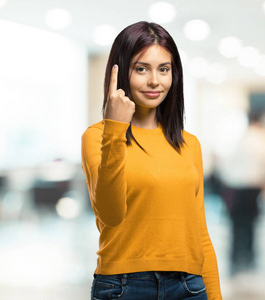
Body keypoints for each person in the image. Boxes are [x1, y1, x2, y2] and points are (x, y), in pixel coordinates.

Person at [81, 21, 222, 300]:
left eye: (164, 69)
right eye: (141, 68)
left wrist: (215, 295)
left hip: (189, 286)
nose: (155, 81)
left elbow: (199, 233)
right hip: (123, 287)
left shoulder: (189, 143)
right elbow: (110, 214)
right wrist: (114, 129)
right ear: (119, 73)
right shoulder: (97, 137)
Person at [216, 112, 265, 276]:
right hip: (254, 190)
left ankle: (236, 262)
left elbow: (227, 165)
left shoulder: (244, 140)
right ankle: (249, 261)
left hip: (239, 189)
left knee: (236, 228)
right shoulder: (264, 140)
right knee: (250, 228)